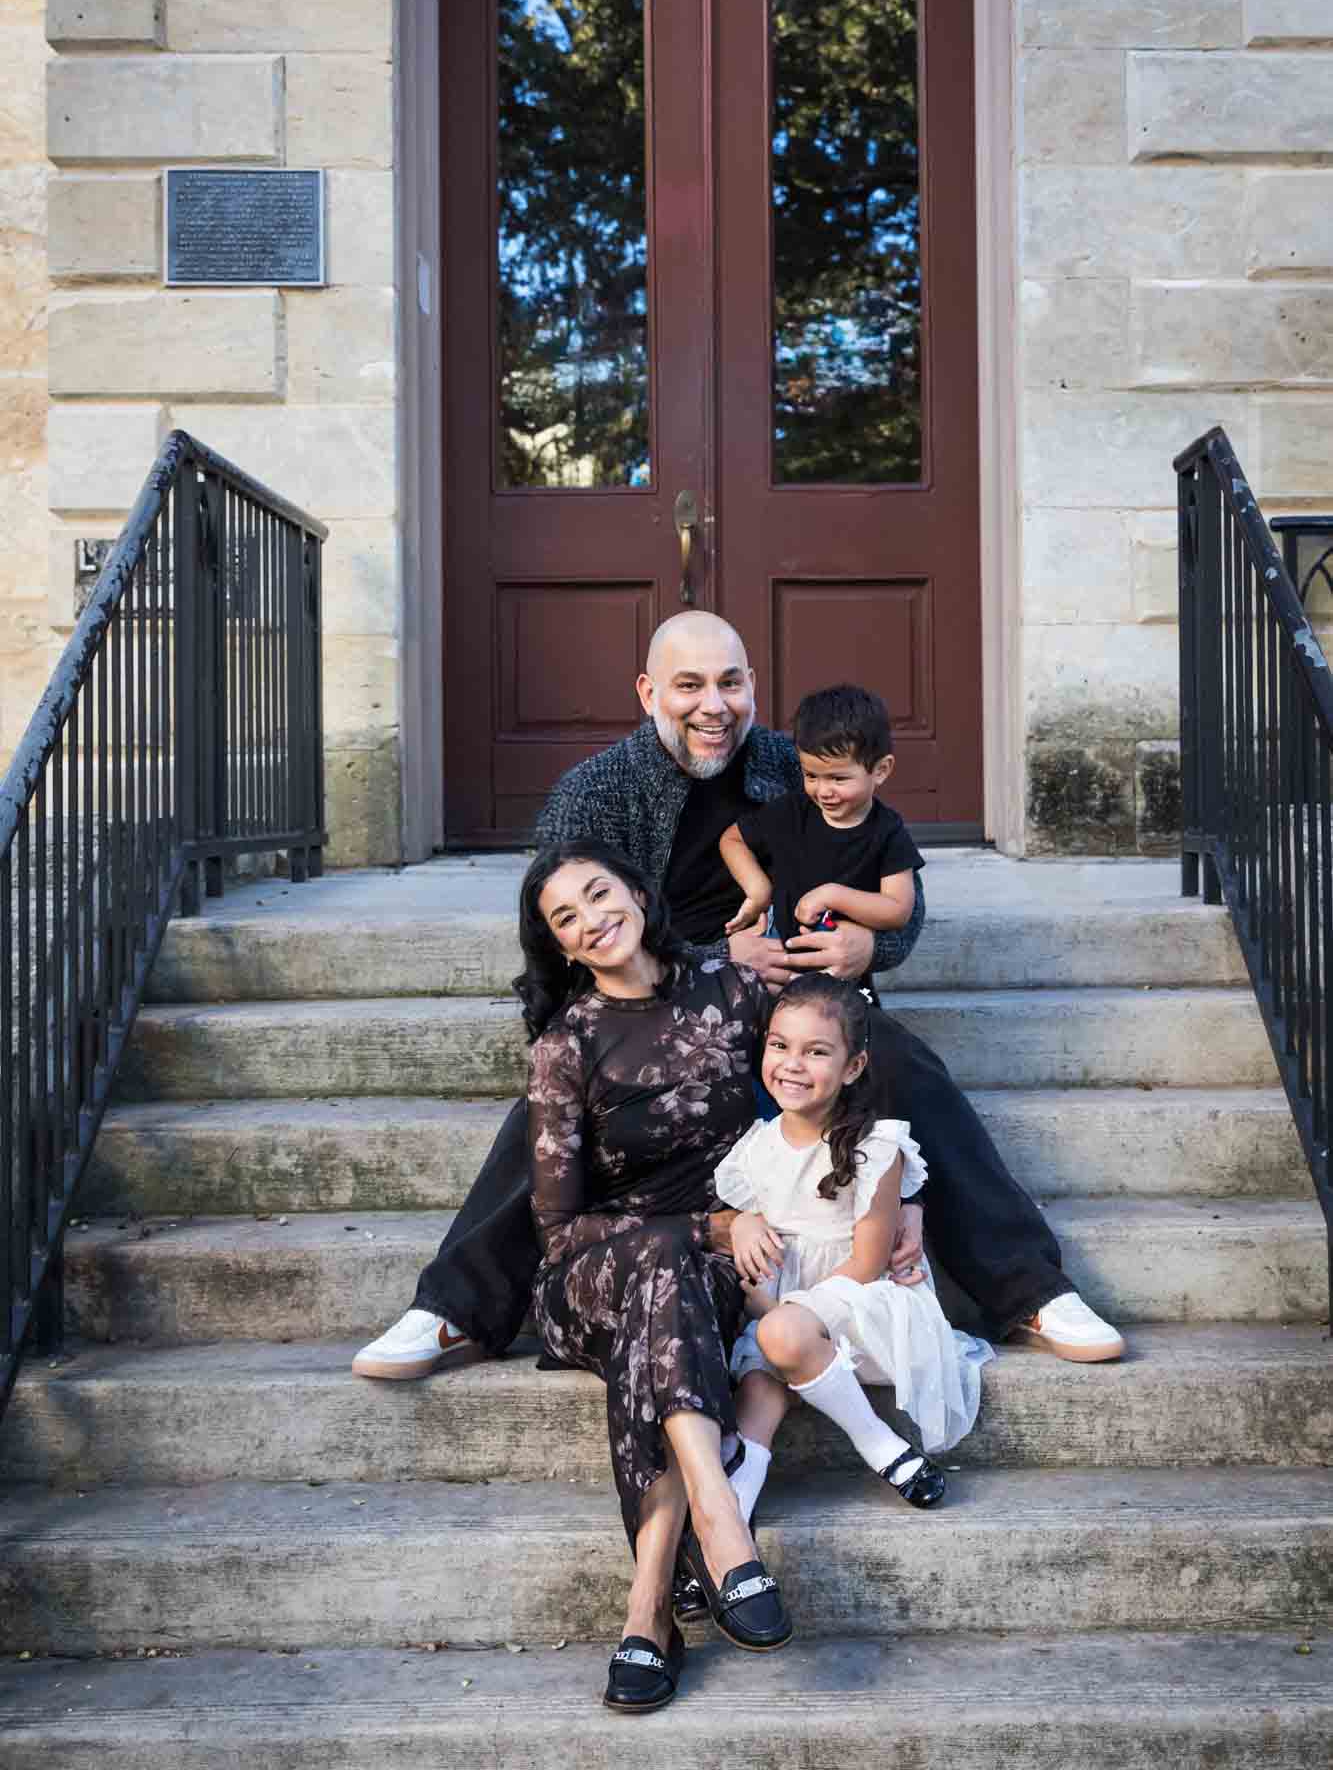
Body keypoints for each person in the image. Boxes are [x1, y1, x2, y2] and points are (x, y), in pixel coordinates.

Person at [352, 609, 1123, 1382]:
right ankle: (454, 1310)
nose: (711, 707)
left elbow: (891, 874)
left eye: (729, 683)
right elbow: (577, 936)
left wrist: (873, 943)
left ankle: (1029, 1291)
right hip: (659, 1018)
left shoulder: (795, 764)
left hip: (794, 1010)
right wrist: (720, 956)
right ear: (649, 691)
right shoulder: (594, 793)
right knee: (547, 1114)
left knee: (899, 1064)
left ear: (753, 686)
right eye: (688, 686)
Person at [521, 840, 792, 1712]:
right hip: (586, 1282)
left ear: (637, 893)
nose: (591, 919)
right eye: (566, 917)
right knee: (663, 1260)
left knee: (668, 1296)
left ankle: (649, 1609)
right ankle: (720, 1521)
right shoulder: (568, 1044)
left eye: (598, 895)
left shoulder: (734, 992)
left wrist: (904, 1197)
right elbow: (558, 1228)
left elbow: (845, 1053)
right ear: (560, 947)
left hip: (700, 1278)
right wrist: (713, 1224)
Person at [714, 972, 993, 1527]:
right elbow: (738, 1235)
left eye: (816, 1051)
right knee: (758, 1388)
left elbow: (866, 1265)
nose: (793, 1064)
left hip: (862, 1307)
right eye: (780, 1045)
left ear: (853, 1066)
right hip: (786, 1314)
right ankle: (727, 1526)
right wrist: (743, 1223)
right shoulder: (754, 1149)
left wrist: (775, 1316)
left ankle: (879, 1444)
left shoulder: (876, 1147)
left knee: (774, 1340)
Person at [720, 682, 923, 994]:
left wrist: (832, 895)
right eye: (811, 775)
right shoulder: (790, 813)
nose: (823, 791)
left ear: (881, 770)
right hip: (776, 970)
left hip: (841, 977)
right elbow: (732, 840)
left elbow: (898, 909)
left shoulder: (887, 832)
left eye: (839, 778)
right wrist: (758, 888)